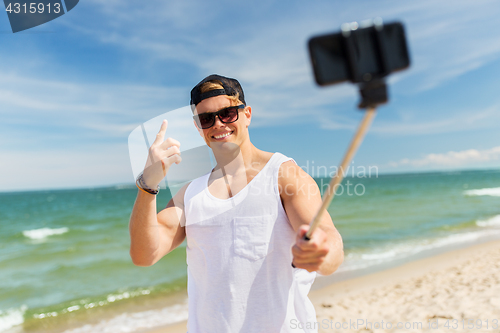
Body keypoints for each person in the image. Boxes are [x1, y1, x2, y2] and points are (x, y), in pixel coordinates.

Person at [129, 74, 344, 332]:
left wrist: (319, 252)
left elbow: (329, 241)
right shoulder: (190, 194)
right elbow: (144, 254)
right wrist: (147, 184)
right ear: (198, 128)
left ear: (247, 114)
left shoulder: (283, 175)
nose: (218, 124)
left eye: (228, 113)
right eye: (206, 119)